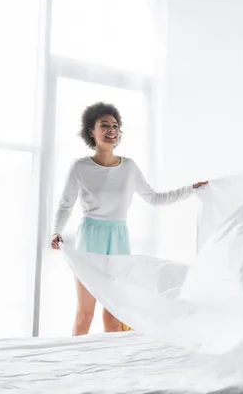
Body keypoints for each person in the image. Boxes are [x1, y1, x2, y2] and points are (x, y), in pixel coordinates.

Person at [51, 102, 208, 336]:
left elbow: (155, 199)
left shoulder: (129, 167)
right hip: (90, 239)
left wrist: (191, 189)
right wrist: (56, 231)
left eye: (115, 126)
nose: (112, 130)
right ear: (91, 131)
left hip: (119, 239)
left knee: (114, 316)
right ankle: (74, 366)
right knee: (85, 314)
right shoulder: (80, 167)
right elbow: (66, 205)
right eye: (104, 125)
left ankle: (113, 368)